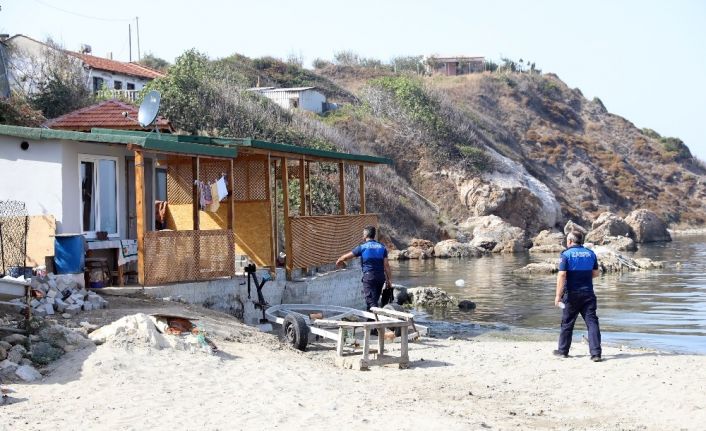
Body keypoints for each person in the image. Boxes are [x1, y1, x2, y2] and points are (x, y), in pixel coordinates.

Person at [553, 230, 602, 362]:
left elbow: (562, 275)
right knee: (592, 323)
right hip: (588, 293)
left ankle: (563, 351)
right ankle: (596, 353)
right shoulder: (591, 254)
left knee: (567, 322)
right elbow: (596, 273)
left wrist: (558, 296)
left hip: (572, 294)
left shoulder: (566, 255)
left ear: (569, 241)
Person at [336, 225, 392, 311]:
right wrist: (389, 281)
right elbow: (386, 266)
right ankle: (371, 320)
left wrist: (340, 260)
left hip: (369, 277)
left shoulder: (363, 247)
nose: (362, 236)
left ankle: (376, 320)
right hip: (380, 277)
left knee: (371, 302)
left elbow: (347, 257)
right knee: (375, 300)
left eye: (363, 234)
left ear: (365, 236)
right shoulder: (382, 247)